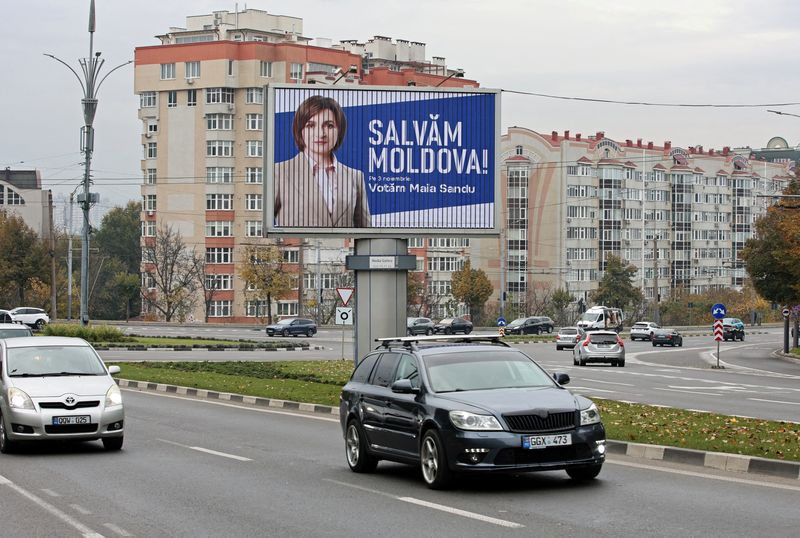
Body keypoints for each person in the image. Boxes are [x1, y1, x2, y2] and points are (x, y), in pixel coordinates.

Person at [274, 95, 371, 228]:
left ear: (339, 130)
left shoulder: (355, 176)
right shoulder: (279, 172)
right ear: (300, 130)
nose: (320, 133)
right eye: (311, 125)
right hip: (296, 248)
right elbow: (264, 224)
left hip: (344, 249)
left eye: (329, 126)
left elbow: (365, 230)